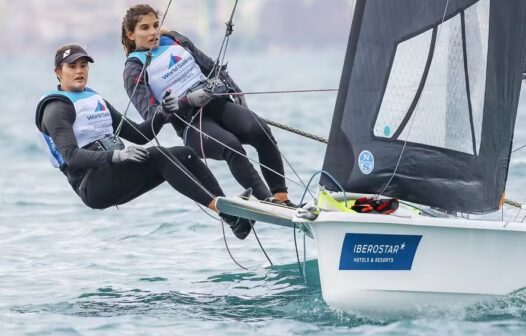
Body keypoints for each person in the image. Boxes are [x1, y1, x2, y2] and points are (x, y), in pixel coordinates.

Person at [35, 43, 254, 240]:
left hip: (114, 170)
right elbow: (72, 157)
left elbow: (141, 135)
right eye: (72, 67)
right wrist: (116, 155)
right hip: (91, 185)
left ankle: (235, 220)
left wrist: (162, 113)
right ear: (58, 72)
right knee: (161, 156)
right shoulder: (55, 109)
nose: (79, 71)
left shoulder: (94, 99)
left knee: (184, 154)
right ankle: (226, 211)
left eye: (83, 65)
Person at [120, 4, 296, 207]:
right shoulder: (133, 69)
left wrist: (235, 91)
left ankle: (283, 198)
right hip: (191, 125)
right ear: (131, 34)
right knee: (232, 146)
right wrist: (187, 101)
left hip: (217, 105)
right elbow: (151, 118)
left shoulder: (176, 40)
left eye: (155, 25)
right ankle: (268, 201)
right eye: (145, 28)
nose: (153, 32)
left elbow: (211, 68)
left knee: (260, 129)